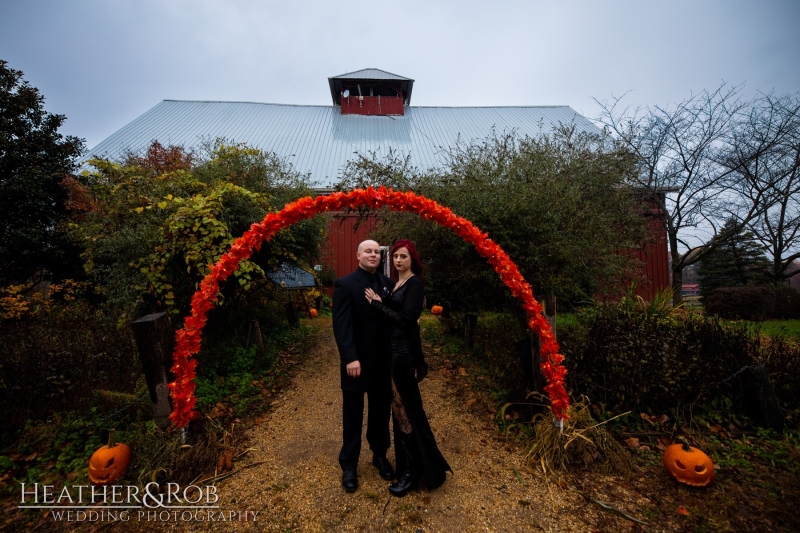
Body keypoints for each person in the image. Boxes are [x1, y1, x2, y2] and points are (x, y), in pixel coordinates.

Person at [364, 239, 452, 497]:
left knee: (405, 411)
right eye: (396, 257)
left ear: (412, 260)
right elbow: (395, 311)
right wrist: (384, 300)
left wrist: (377, 304)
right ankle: (408, 468)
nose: (399, 260)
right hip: (391, 352)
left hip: (403, 355)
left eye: (403, 256)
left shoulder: (414, 283)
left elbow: (407, 319)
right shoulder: (397, 284)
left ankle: (412, 473)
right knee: (399, 409)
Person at [332, 239, 396, 493]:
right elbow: (341, 324)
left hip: (382, 363)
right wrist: (350, 357)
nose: (373, 255)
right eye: (367, 251)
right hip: (356, 363)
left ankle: (379, 455)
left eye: (376, 252)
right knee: (353, 414)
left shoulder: (388, 285)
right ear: (358, 254)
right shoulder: (345, 285)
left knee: (381, 412)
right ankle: (349, 465)